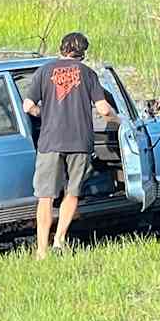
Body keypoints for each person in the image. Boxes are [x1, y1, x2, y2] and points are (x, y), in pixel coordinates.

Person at [23, 31, 119, 258]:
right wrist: (119, 120)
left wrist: (43, 114)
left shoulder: (44, 71)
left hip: (49, 141)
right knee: (73, 192)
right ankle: (59, 240)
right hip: (79, 141)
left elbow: (28, 106)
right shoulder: (87, 74)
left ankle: (41, 251)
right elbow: (104, 109)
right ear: (83, 53)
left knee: (45, 197)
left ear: (61, 48)